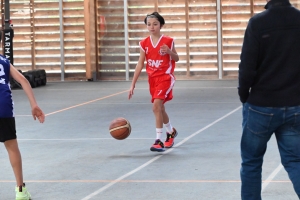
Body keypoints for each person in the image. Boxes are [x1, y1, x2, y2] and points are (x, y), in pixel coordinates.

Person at [238, 0, 300, 199]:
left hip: (260, 104)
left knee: (251, 162)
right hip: (295, 104)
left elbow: (247, 64)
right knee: (296, 161)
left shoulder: (257, 22)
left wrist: (244, 94)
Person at [128, 12, 179, 152]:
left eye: (155, 24)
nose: (151, 26)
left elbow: (177, 58)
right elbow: (140, 64)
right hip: (153, 79)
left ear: (161, 25)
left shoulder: (168, 41)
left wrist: (169, 51)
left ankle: (159, 140)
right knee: (160, 108)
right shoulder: (144, 43)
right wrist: (133, 83)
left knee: (156, 106)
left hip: (165, 78)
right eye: (149, 24)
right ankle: (171, 132)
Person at [0, 54, 45, 200]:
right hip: (4, 108)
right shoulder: (4, 61)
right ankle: (20, 191)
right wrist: (34, 104)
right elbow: (23, 80)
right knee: (12, 147)